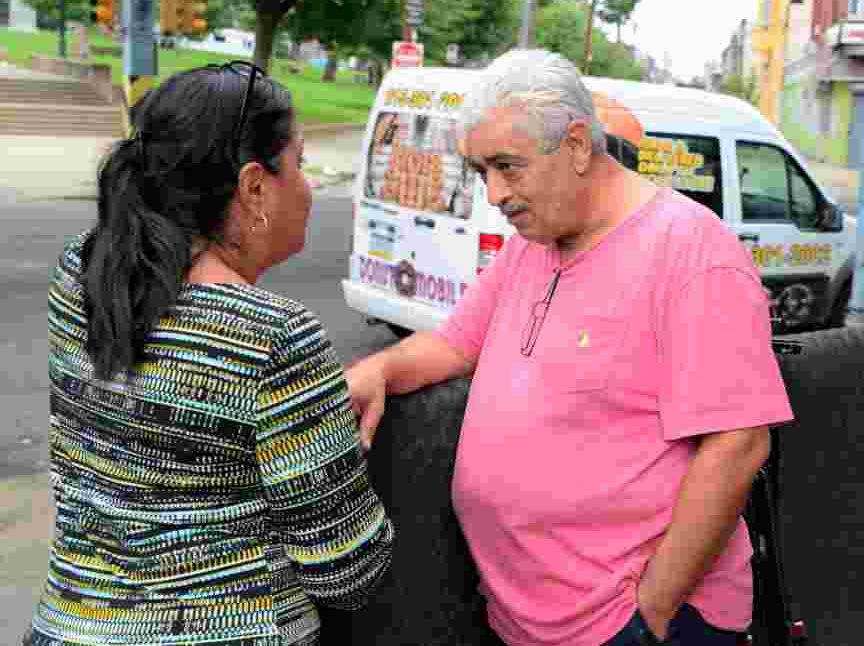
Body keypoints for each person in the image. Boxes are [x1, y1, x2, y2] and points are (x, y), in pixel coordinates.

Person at [344, 49, 794, 646]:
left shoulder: (693, 252)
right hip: (529, 619)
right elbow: (454, 343)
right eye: (481, 171)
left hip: (633, 624)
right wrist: (380, 368)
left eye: (508, 166)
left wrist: (652, 612)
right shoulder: (532, 244)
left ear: (578, 145)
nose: (494, 193)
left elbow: (737, 445)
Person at [24, 62, 393, 646]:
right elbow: (347, 571)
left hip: (68, 629)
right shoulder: (276, 338)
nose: (308, 188)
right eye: (299, 164)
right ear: (254, 187)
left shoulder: (81, 274)